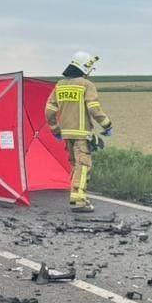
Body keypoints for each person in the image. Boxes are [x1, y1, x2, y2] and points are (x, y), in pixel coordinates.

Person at [45, 51, 112, 212]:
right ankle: (79, 201)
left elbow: (49, 111)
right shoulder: (86, 85)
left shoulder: (59, 85)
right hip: (82, 134)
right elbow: (94, 108)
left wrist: (55, 130)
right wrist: (107, 125)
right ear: (86, 67)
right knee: (83, 166)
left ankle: (77, 197)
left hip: (66, 134)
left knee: (75, 166)